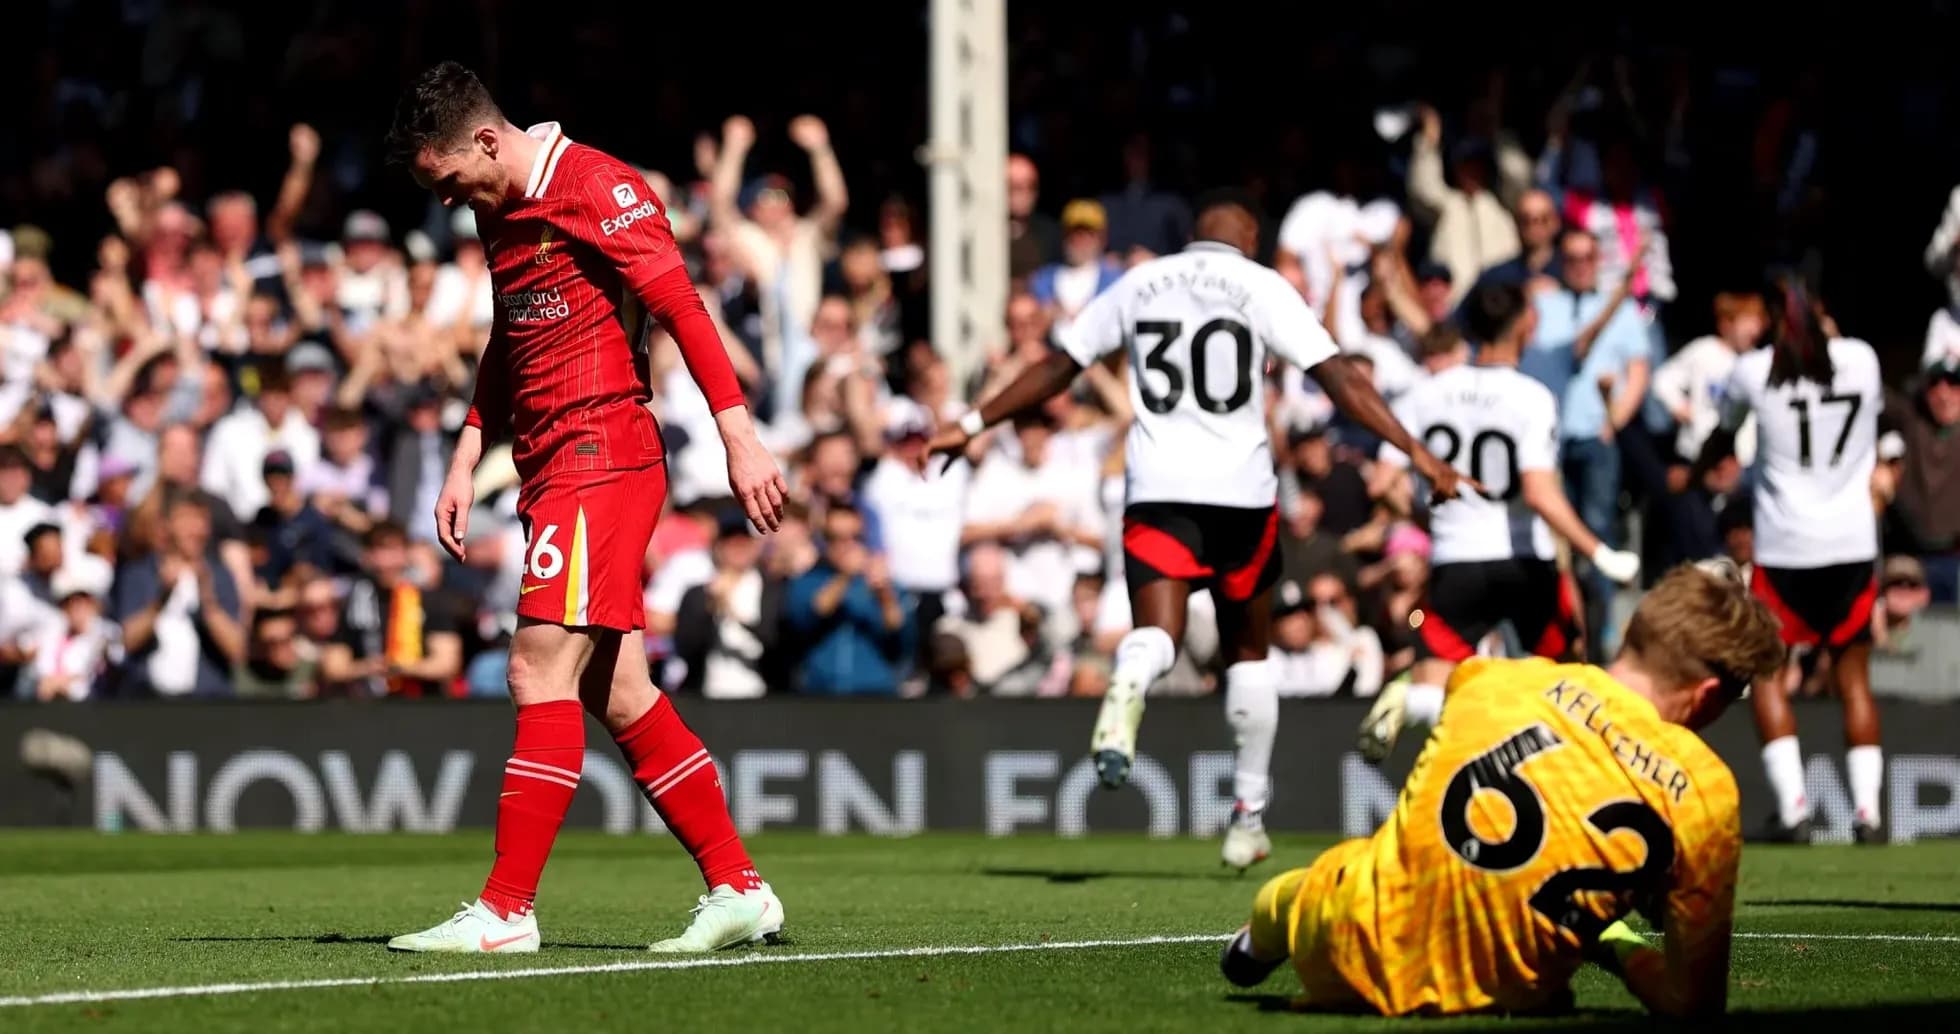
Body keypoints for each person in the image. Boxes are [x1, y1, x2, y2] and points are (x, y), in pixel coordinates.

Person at [927, 191, 1465, 871]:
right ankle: (1247, 816)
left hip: (1157, 489)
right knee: (1248, 655)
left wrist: (971, 423)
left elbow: (1057, 366)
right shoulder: (1260, 285)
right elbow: (1339, 380)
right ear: (1245, 237)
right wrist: (1417, 454)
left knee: (1156, 633)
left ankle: (1131, 677)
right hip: (1241, 496)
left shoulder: (1139, 282)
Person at [385, 61, 787, 954]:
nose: (449, 201)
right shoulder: (499, 209)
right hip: (546, 466)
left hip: (600, 454)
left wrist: (740, 436)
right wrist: (464, 451)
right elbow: (510, 332)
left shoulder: (599, 187)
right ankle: (740, 888)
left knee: (536, 671)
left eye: (448, 179)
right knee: (619, 691)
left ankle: (505, 909)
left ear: (486, 141)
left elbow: (680, 304)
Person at [1221, 559, 1785, 1019]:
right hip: (1498, 1003)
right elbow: (1693, 1006)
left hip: (1345, 942)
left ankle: (1263, 933)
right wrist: (1616, 945)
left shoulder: (1493, 678)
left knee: (1337, 873)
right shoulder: (1704, 788)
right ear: (1708, 695)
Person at [1357, 282, 1642, 764]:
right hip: (1524, 562)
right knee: (1566, 673)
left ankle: (1412, 705)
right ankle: (1561, 786)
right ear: (1526, 325)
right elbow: (1538, 492)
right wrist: (1598, 551)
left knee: (1434, 673)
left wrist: (1427, 517)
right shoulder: (1532, 396)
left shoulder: (1425, 394)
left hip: (1455, 563)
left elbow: (1381, 480)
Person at [1704, 278, 1884, 844]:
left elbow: (1722, 436)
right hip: (1852, 543)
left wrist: (1700, 463)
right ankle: (1869, 816)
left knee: (1768, 675)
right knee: (1854, 680)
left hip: (1784, 548)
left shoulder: (1754, 372)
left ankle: (1796, 809)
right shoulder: (1863, 359)